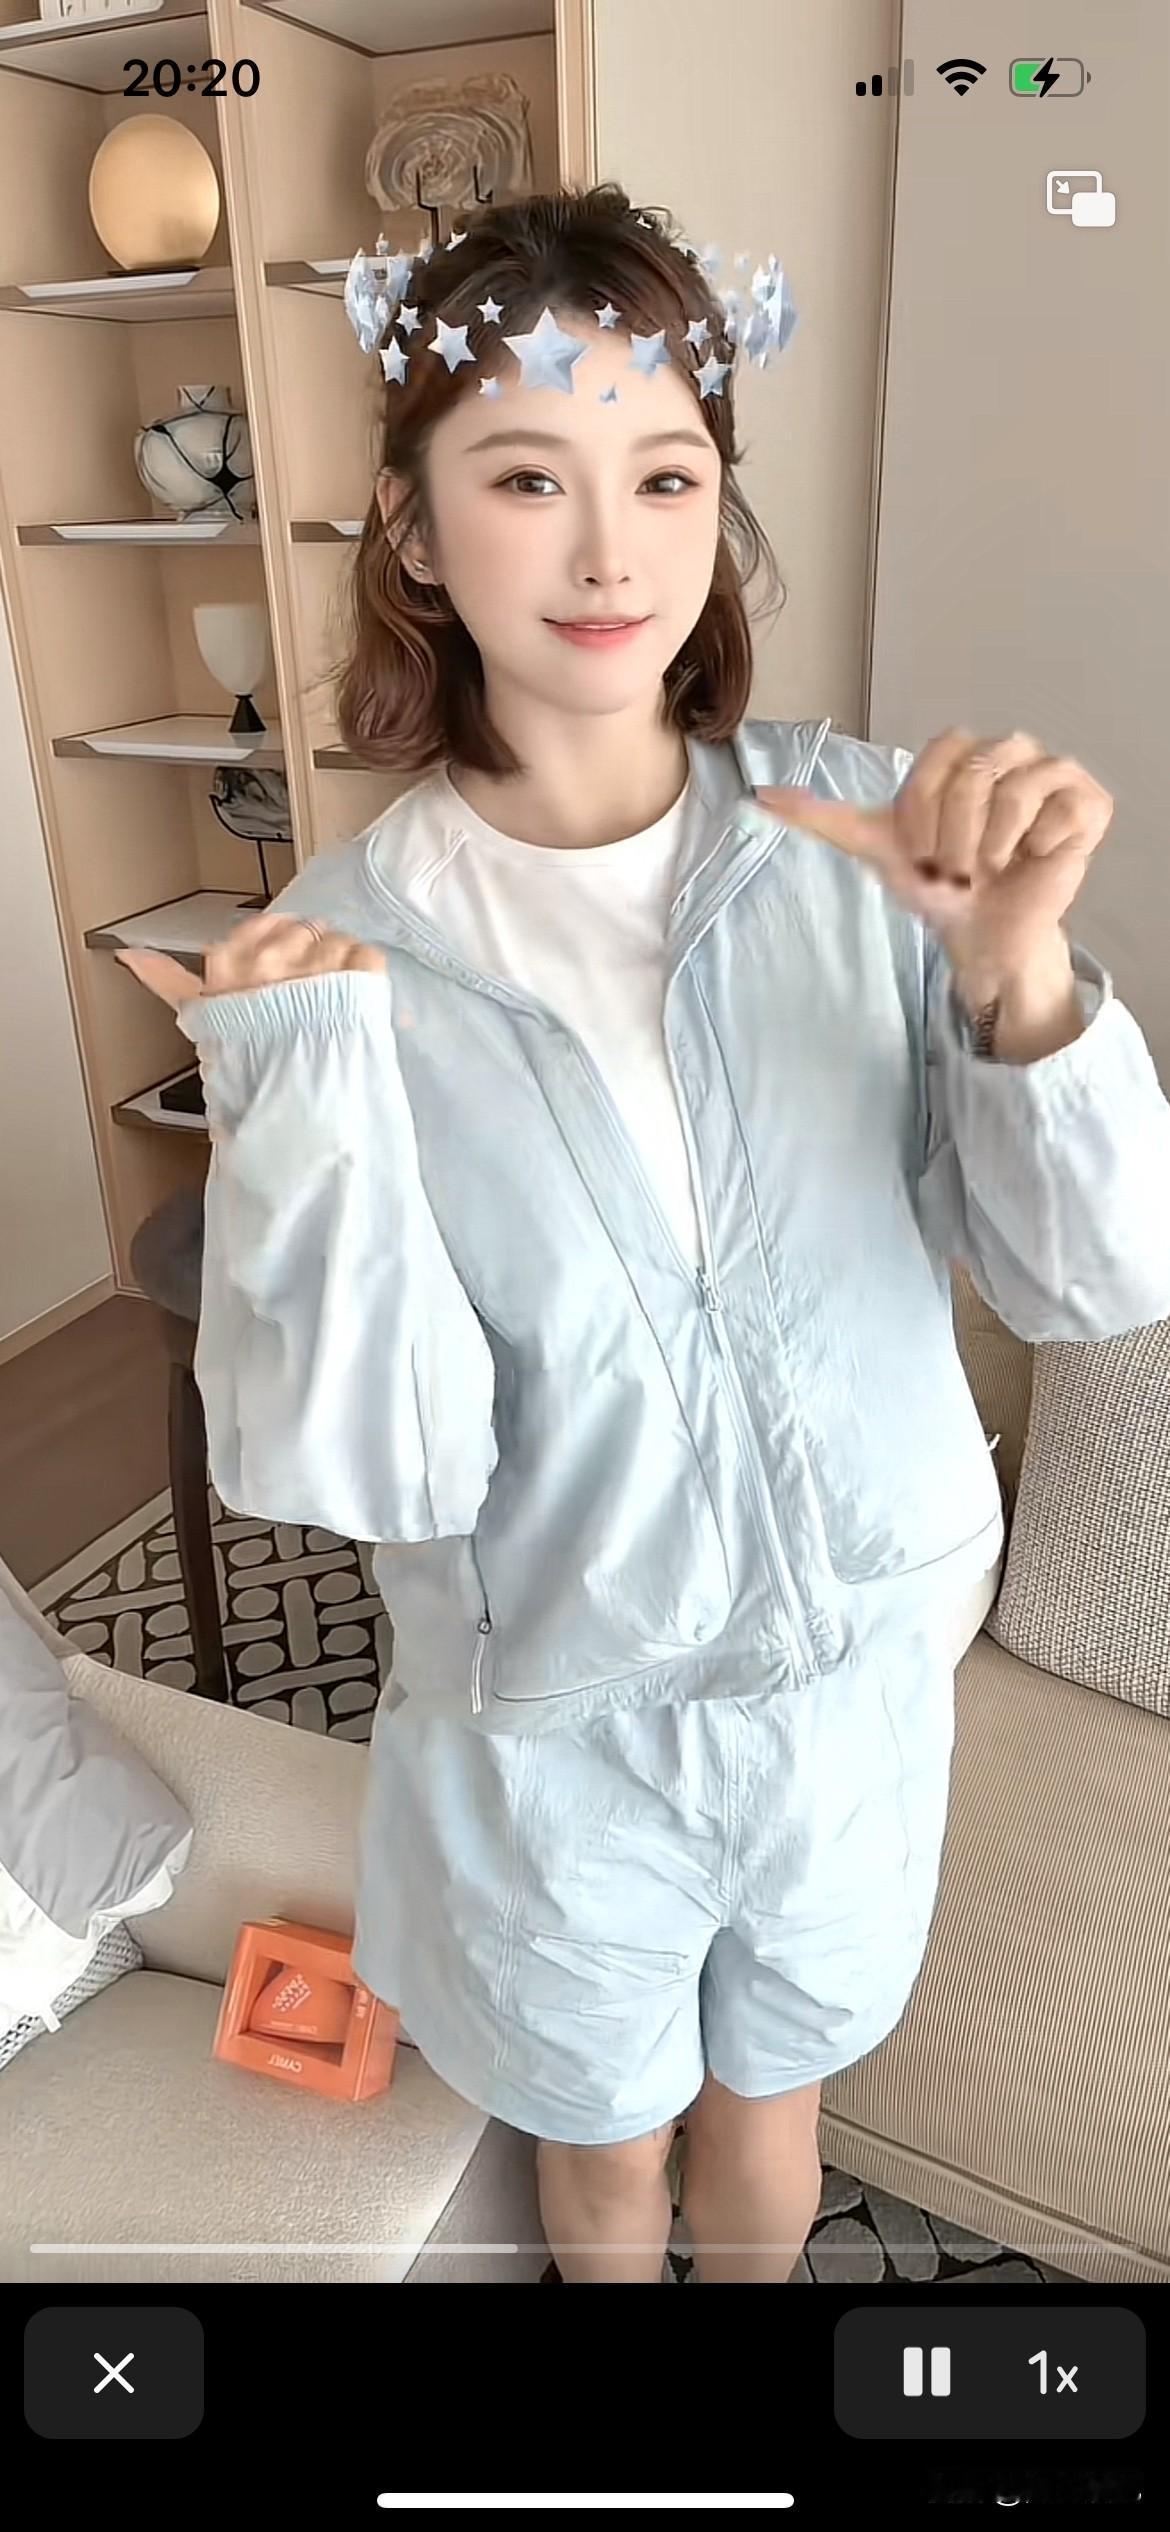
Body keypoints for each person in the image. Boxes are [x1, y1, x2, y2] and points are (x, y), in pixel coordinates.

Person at [120, 183, 1170, 2284]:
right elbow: (359, 1464)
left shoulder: (866, 835)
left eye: (666, 476)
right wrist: (300, 1103)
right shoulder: (340, 957)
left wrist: (1019, 980)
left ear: (716, 504)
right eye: (528, 477)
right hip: (550, 1740)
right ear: (416, 530)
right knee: (602, 2166)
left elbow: (1096, 1280)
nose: (610, 552)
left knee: (773, 2120)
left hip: (857, 1690)